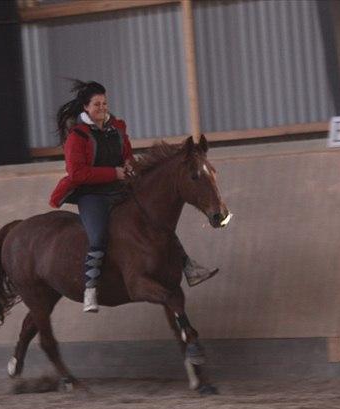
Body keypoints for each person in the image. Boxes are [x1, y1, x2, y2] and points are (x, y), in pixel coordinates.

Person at [49, 80, 218, 313]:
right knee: (98, 237)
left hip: (118, 187)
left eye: (104, 103)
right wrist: (113, 172)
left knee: (156, 221)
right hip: (92, 194)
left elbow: (126, 154)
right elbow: (77, 173)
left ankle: (189, 266)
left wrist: (128, 166)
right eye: (96, 104)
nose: (102, 107)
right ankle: (90, 289)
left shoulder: (117, 127)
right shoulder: (77, 137)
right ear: (86, 108)